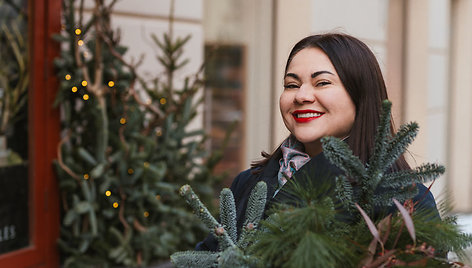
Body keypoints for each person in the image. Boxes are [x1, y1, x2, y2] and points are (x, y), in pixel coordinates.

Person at [196, 33, 439, 251]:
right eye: (291, 85)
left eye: (322, 82)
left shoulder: (400, 198)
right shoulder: (248, 182)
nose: (301, 95)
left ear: (360, 95)